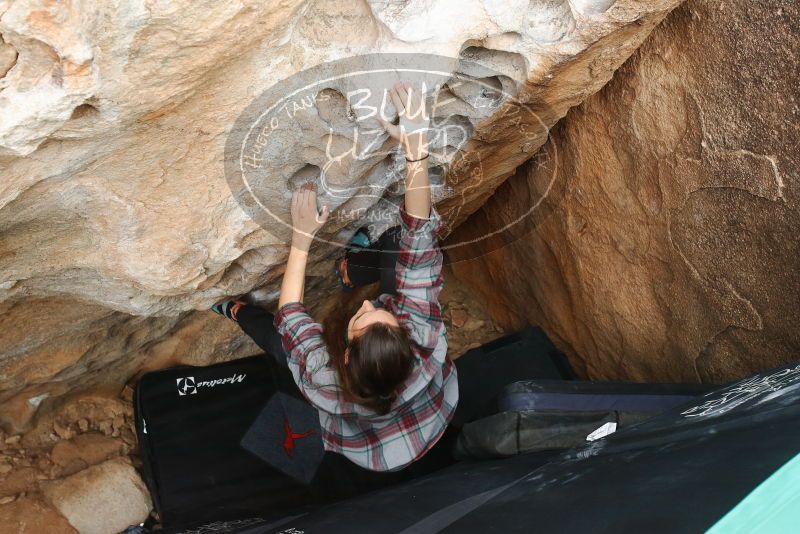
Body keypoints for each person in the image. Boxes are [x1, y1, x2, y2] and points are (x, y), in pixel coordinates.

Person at [213, 83, 457, 472]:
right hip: (429, 421)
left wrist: (301, 237)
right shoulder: (423, 336)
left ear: (343, 355)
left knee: (282, 344)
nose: (366, 303)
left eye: (360, 320)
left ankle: (239, 312)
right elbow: (419, 236)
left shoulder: (326, 380)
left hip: (375, 449)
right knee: (401, 244)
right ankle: (351, 267)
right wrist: (415, 146)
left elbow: (291, 315)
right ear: (406, 341)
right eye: (384, 315)